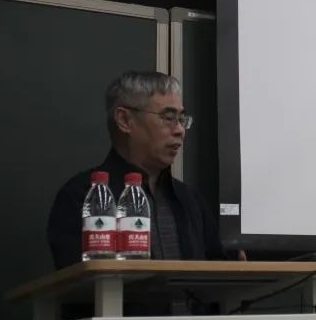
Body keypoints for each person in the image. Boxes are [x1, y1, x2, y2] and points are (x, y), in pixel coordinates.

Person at [47, 71, 240, 269]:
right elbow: (82, 280)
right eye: (169, 117)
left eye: (182, 119)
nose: (180, 130)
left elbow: (216, 273)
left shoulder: (191, 201)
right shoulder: (83, 196)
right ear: (125, 120)